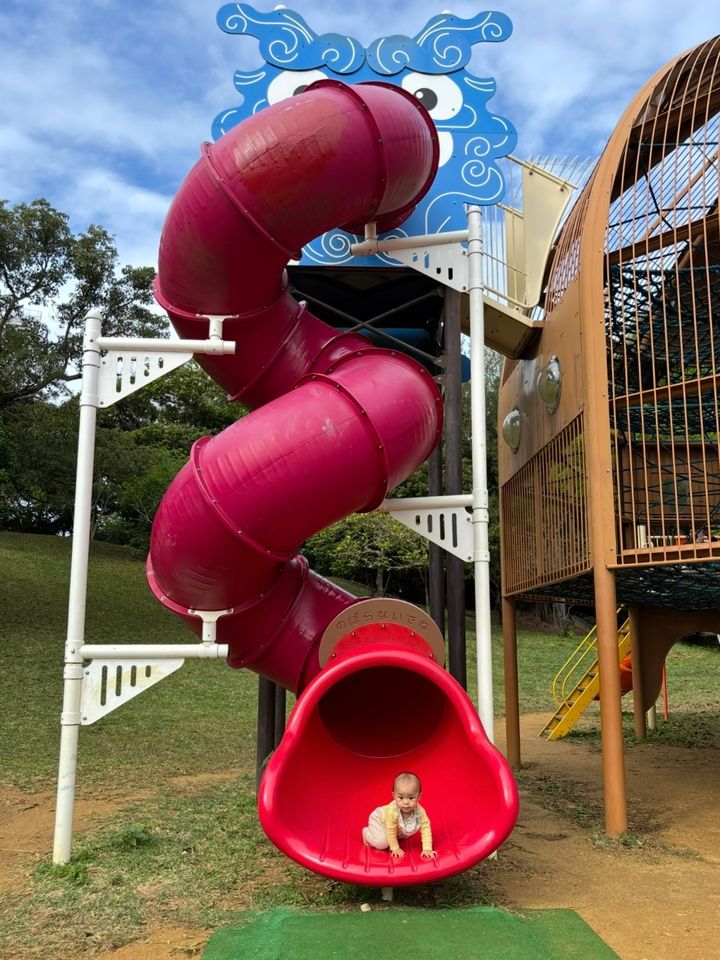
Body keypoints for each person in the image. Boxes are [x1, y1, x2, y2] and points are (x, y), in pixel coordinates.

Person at [362, 771, 437, 859]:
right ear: (394, 795)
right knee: (382, 844)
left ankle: (396, 835)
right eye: (401, 798)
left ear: (419, 797)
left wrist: (427, 849)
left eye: (411, 798)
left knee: (407, 833)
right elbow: (391, 830)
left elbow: (425, 828)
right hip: (380, 820)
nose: (406, 802)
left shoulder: (420, 812)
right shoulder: (392, 812)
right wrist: (395, 848)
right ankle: (366, 833)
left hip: (397, 827)